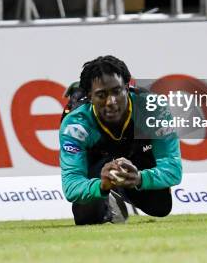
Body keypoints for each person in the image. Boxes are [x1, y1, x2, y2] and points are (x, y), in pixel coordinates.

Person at [59, 55, 182, 225]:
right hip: (97, 162)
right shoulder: (75, 124)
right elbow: (71, 185)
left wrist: (139, 177)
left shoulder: (153, 109)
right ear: (89, 96)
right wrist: (101, 186)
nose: (111, 102)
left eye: (117, 91)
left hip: (135, 154)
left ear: (127, 87)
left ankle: (118, 192)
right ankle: (109, 199)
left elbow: (173, 169)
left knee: (160, 206)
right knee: (87, 218)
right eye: (101, 95)